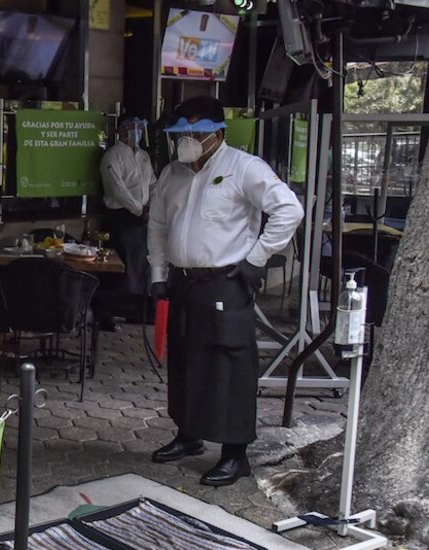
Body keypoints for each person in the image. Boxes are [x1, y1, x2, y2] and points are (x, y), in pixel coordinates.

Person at [147, 96, 303, 486]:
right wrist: (157, 273)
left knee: (227, 364)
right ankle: (188, 435)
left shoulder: (244, 168)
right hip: (183, 281)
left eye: (196, 133)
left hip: (226, 281)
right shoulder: (173, 173)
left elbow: (289, 210)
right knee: (186, 360)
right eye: (182, 134)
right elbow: (157, 225)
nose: (188, 141)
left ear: (217, 134)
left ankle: (235, 454)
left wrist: (257, 259)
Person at [100, 116, 156, 295]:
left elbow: (152, 183)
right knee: (126, 262)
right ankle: (121, 303)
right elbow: (117, 189)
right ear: (120, 131)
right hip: (122, 217)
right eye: (130, 127)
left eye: (138, 127)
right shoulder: (112, 155)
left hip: (144, 217)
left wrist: (152, 207)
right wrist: (139, 210)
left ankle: (139, 304)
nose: (135, 131)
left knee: (142, 261)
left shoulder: (144, 156)